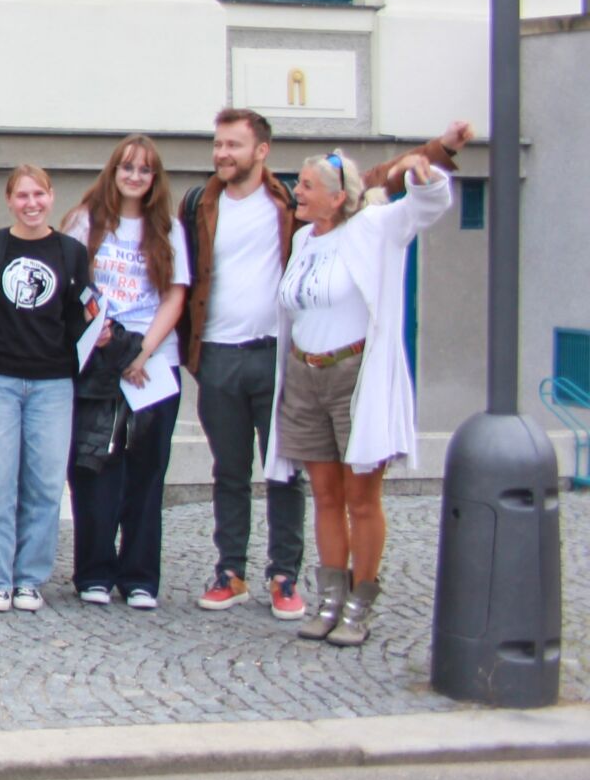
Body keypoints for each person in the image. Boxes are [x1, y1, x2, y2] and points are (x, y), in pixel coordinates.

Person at [182, 109, 466, 619]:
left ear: (261, 150)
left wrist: (436, 153)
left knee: (294, 478)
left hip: (286, 359)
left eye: (233, 144)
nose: (222, 153)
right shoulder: (202, 204)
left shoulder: (289, 204)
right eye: (218, 144)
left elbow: (375, 183)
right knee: (234, 472)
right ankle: (233, 573)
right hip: (228, 357)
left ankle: (287, 577)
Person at [274, 150, 453, 646]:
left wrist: (425, 177)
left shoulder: (373, 226)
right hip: (304, 375)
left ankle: (359, 603)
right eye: (298, 183)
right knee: (326, 496)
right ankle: (330, 598)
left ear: (337, 197)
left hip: (353, 376)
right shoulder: (303, 239)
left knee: (361, 498)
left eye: (307, 185)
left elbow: (425, 208)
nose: (297, 192)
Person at [0, 165, 92, 614]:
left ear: (51, 196)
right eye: (22, 196)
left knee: (45, 485)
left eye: (38, 194)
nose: (31, 203)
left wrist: (95, 336)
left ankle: (30, 578)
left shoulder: (71, 252)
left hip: (53, 383)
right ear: (9, 200)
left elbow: (76, 317)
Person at [61, 136, 188, 611]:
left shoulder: (169, 229)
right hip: (98, 358)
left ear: (155, 179)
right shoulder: (85, 221)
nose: (135, 176)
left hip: (153, 365)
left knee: (146, 472)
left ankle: (139, 576)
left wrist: (143, 352)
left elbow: (175, 295)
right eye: (127, 167)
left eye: (144, 170)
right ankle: (93, 571)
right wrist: (102, 337)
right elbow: (72, 287)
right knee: (94, 469)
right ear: (113, 171)